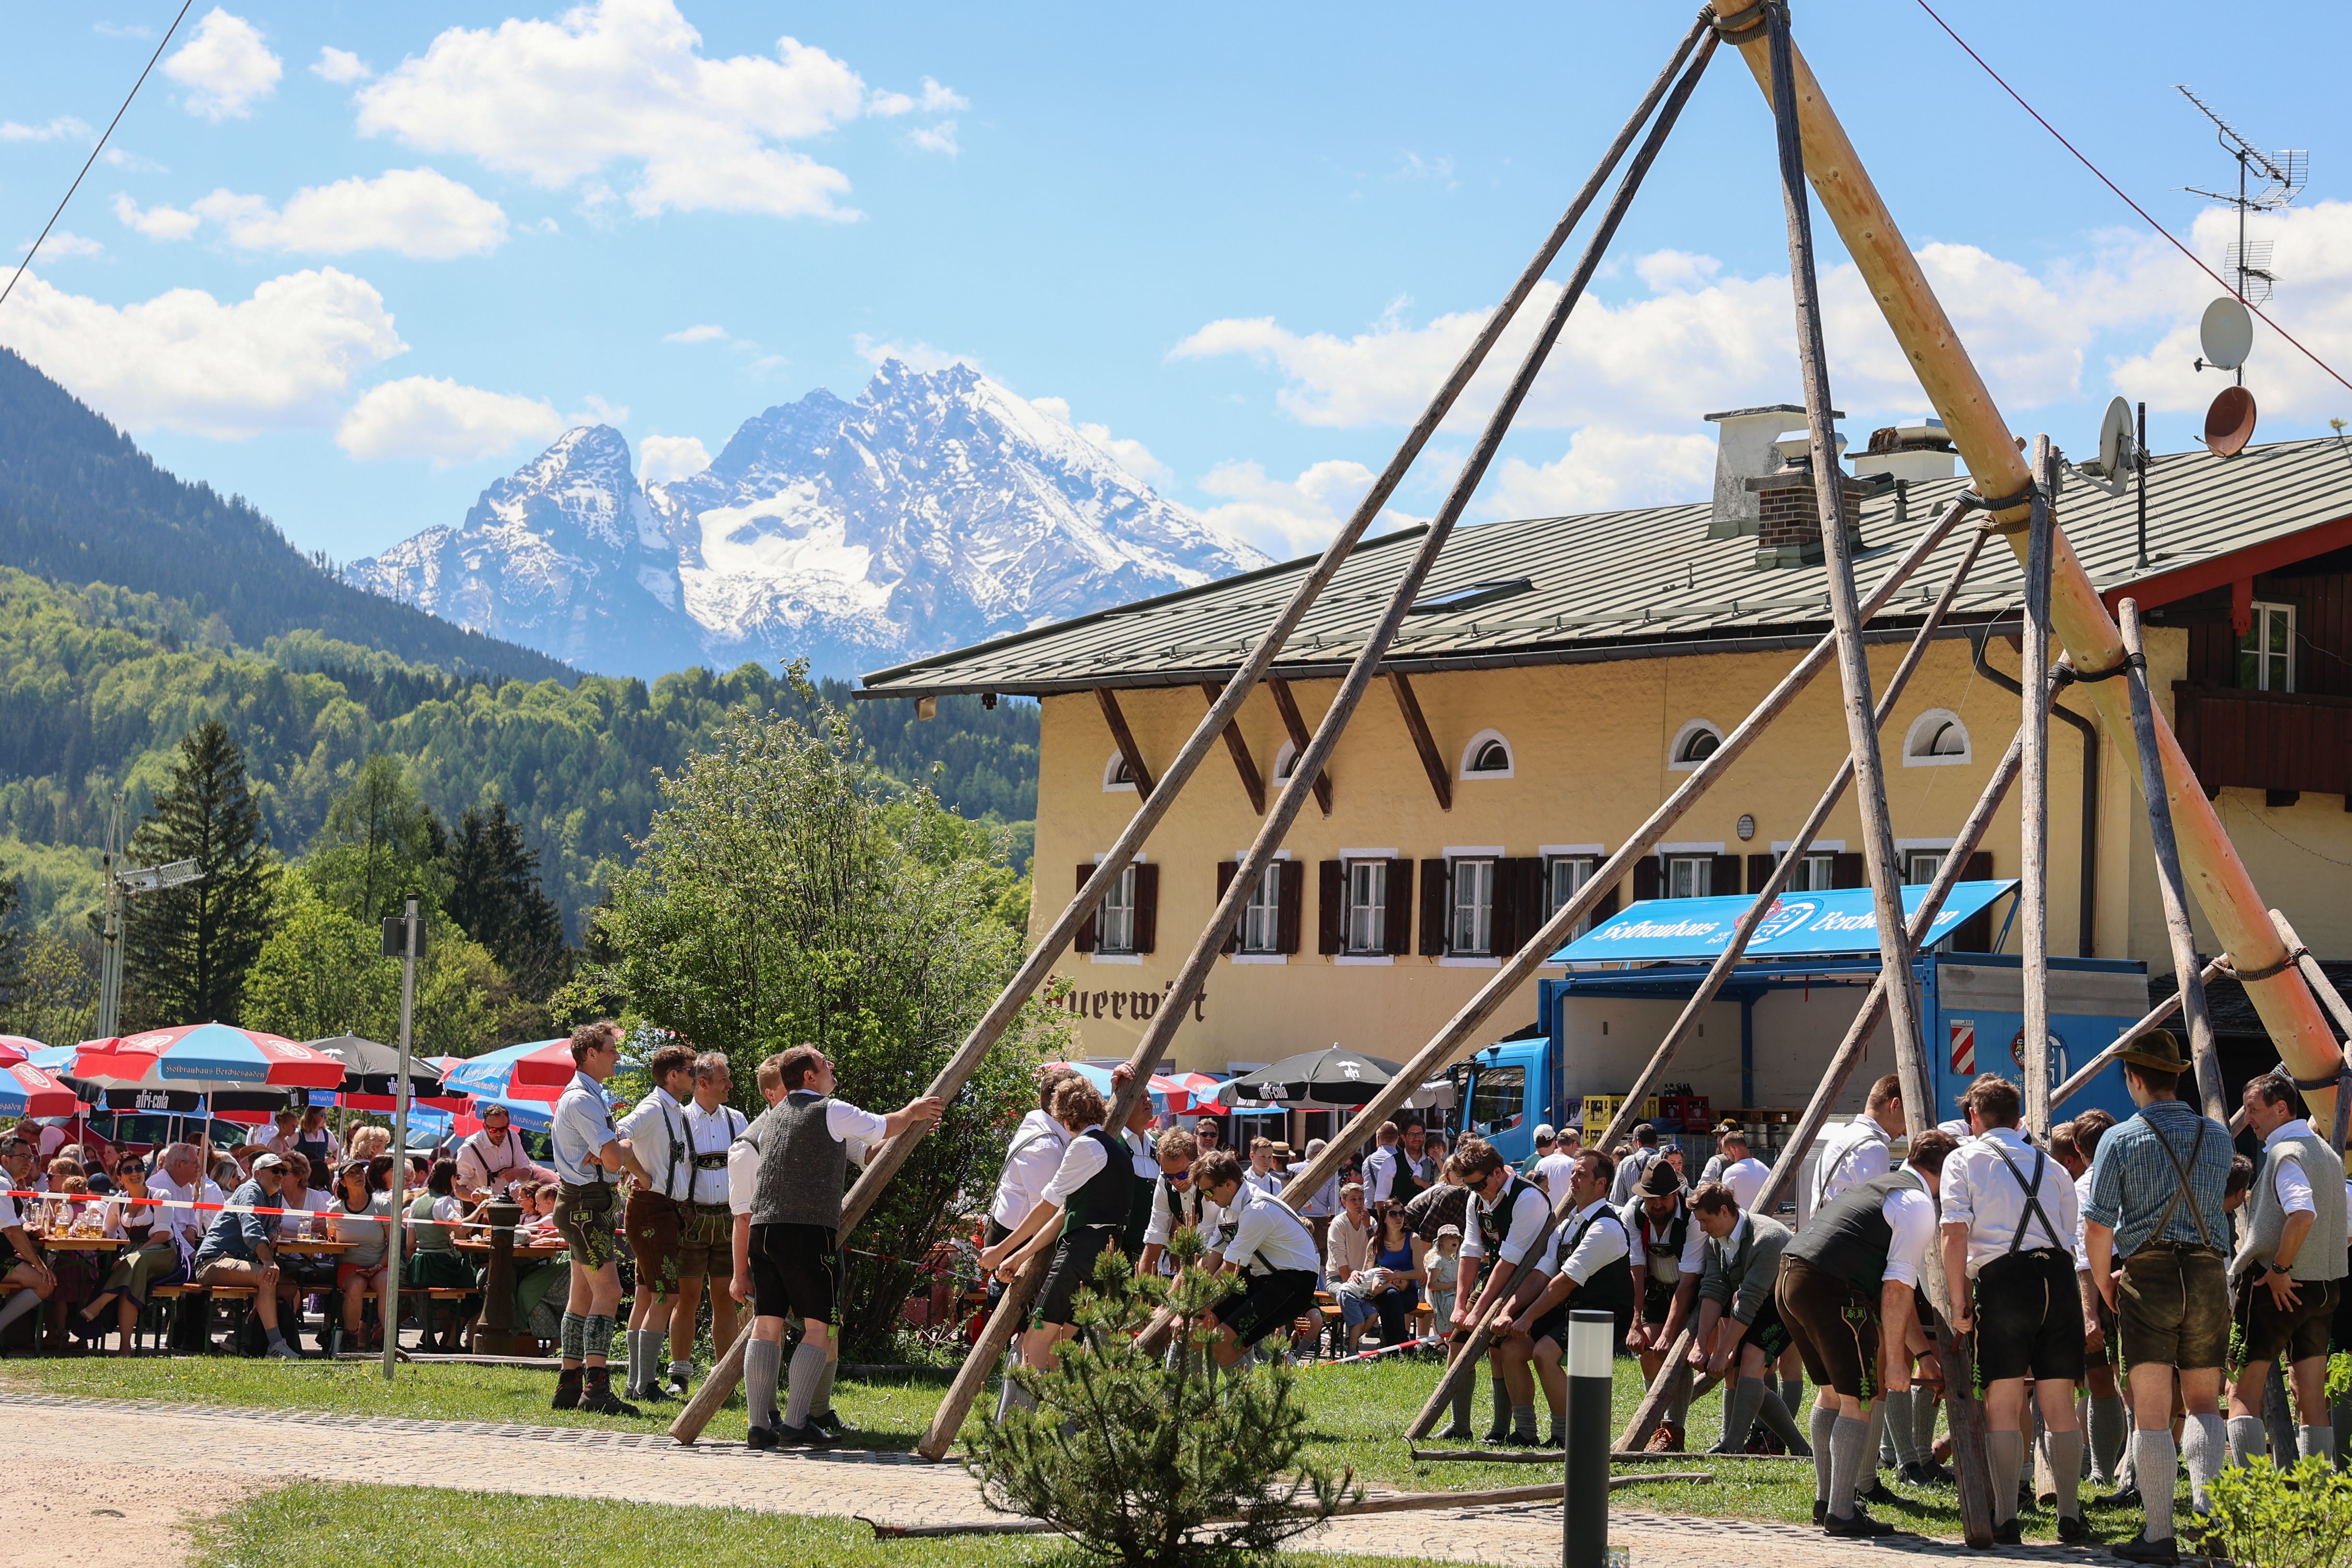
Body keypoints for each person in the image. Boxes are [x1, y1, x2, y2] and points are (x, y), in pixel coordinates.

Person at [737, 1044, 941, 1447]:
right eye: (824, 1063)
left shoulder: (774, 1116)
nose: (831, 1067)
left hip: (764, 1229)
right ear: (809, 1077)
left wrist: (907, 1129)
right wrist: (915, 1111)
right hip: (807, 1230)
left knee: (766, 1323)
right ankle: (796, 1422)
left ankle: (759, 1425)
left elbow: (868, 1150)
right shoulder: (829, 1109)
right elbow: (886, 1124)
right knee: (819, 1326)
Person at [2084, 1029, 2234, 1565]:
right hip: (2209, 1274)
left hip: (2147, 1274)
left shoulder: (2118, 1139)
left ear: (2134, 1078)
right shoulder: (2218, 1137)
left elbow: (2098, 1228)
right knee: (2202, 1402)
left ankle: (2158, 1533)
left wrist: (2106, 1286)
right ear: (2174, 1077)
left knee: (2151, 1414)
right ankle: (2210, 1518)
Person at [1778, 1128, 1953, 1539]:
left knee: (1830, 1393)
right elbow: (1896, 1290)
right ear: (1944, 1173)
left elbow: (1897, 1294)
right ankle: (1842, 1511)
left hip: (1790, 1275)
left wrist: (1922, 1354)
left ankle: (1827, 1501)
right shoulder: (1917, 1205)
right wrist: (1895, 1360)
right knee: (1857, 1398)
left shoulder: (1883, 1187)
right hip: (1830, 1286)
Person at [1940, 1074, 2085, 1545]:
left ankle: (2006, 1516)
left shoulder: (1962, 1158)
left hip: (2005, 1282)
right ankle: (2069, 1513)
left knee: (2002, 1402)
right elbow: (2067, 1237)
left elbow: (1954, 1232)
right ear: (2018, 1117)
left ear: (1973, 1117)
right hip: (2058, 1281)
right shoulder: (2053, 1166)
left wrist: (1958, 1301)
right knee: (2059, 1403)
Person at [982, 1077, 1135, 1389]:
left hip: (1079, 1254)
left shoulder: (1083, 1147)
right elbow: (1064, 1213)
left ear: (1064, 1116)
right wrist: (1018, 1255)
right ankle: (1061, 1430)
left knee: (1034, 1343)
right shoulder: (1115, 1150)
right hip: (1108, 1256)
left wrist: (999, 1251)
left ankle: (1028, 1429)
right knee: (1060, 1345)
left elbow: (1046, 1207)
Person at [2228, 1073, 2344, 1469]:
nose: (2248, 1119)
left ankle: (2244, 1497)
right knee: (2311, 1397)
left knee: (2242, 1391)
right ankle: (2315, 1499)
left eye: (2253, 1110)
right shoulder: (2329, 1155)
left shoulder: (2285, 1153)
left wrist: (2279, 1267)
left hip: (2278, 1284)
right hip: (2324, 1287)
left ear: (2281, 1108)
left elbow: (2302, 1213)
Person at [1497, 1150, 1631, 1448]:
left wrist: (1528, 1318)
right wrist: (1509, 1311)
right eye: (1574, 1172)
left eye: (1582, 1174)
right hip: (1571, 1309)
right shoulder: (1568, 1225)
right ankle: (1526, 1432)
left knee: (1544, 1353)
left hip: (1604, 1316)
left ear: (1601, 1185)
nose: (1573, 1178)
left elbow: (1565, 1282)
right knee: (1513, 1348)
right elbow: (1542, 1274)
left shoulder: (1606, 1226)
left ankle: (1565, 1435)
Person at [548, 1019, 640, 1415]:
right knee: (610, 1291)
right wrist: (621, 1147)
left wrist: (609, 1152)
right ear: (589, 1054)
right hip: (586, 1205)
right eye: (610, 1049)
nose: (616, 1055)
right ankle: (596, 1386)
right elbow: (615, 1157)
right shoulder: (583, 1100)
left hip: (584, 1201)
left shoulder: (589, 1095)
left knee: (582, 1294)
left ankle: (570, 1383)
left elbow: (608, 1156)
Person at [652, 1051, 750, 1398]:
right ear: (703, 1083)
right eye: (724, 1079)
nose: (730, 1084)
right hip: (689, 1219)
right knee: (687, 1299)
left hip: (728, 1220)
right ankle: (679, 1375)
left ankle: (724, 1379)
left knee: (726, 1298)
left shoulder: (737, 1120)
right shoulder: (678, 1120)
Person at [1688, 1180, 1809, 1457]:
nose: (1703, 1228)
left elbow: (1750, 1300)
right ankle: (1801, 1449)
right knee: (1738, 1373)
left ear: (1723, 1211)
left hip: (1787, 1302)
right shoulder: (1716, 1240)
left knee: (1752, 1361)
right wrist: (1701, 1343)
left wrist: (1722, 1351)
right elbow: (1714, 1289)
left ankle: (1732, 1446)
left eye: (1705, 1221)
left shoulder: (1768, 1239)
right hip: (1755, 1302)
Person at [1454, 1135, 1557, 1445]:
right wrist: (1462, 1306)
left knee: (1499, 1351)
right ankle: (1460, 1426)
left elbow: (1512, 1260)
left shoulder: (1528, 1199)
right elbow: (1471, 1249)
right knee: (1459, 1344)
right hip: (1497, 1277)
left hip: (1528, 1282)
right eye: (1469, 1186)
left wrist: (1479, 1310)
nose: (1475, 1192)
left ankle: (1502, 1431)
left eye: (1479, 1184)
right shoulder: (1477, 1199)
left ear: (1499, 1172)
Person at [617, 1041, 698, 1402]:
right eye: (691, 1070)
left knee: (647, 1295)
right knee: (668, 1294)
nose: (696, 1077)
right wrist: (638, 1172)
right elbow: (619, 1134)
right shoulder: (653, 1107)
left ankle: (636, 1383)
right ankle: (647, 1384)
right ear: (673, 1075)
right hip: (652, 1207)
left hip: (662, 1209)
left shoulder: (675, 1109)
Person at [1193, 1148, 1324, 1367]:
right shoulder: (1228, 1211)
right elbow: (1211, 1258)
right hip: (1263, 1276)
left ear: (1228, 1183)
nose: (1208, 1199)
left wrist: (1196, 1308)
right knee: (1200, 1332)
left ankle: (1247, 1399)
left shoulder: (1257, 1210)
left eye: (1209, 1192)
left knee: (1224, 1342)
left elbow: (1230, 1269)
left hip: (1293, 1281)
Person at [2053, 1110, 2127, 1491]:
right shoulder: (2134, 1178)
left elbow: (2083, 1258)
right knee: (2130, 1380)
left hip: (2098, 1288)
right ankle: (2118, 1468)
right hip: (2130, 1280)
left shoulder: (2083, 1187)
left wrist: (2088, 1313)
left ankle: (2103, 1469)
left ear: (2080, 1150)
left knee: (2102, 1380)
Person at [1623, 1157, 1705, 1451]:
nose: (1657, 1205)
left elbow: (1689, 1279)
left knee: (1677, 1353)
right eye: (1650, 1199)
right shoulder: (1633, 1215)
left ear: (1676, 1194)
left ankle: (1674, 1432)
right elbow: (1636, 1269)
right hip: (1656, 1289)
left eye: (1663, 1199)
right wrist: (1635, 1323)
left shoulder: (1694, 1217)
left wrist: (1671, 1333)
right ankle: (1656, 1423)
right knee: (1648, 1349)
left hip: (1695, 1288)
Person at [192, 1151, 304, 1357]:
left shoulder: (276, 1195)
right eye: (275, 1170)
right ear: (257, 1173)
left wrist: (272, 1233)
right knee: (267, 1276)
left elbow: (276, 1223)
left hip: (240, 1260)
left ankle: (240, 1337)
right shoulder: (250, 1190)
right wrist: (269, 1261)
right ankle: (276, 1347)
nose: (280, 1175)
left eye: (283, 1171)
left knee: (289, 1288)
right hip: (214, 1261)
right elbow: (250, 1229)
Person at [406, 1157, 478, 1353]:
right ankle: (452, 1342)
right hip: (440, 1266)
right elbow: (462, 1230)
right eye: (458, 1177)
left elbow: (410, 1245)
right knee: (475, 1293)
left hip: (419, 1266)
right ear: (452, 1178)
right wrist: (480, 1209)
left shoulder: (417, 1202)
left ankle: (441, 1338)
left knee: (459, 1292)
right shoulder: (444, 1202)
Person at [1136, 1128, 1223, 1277]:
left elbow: (1203, 1244)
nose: (1176, 1182)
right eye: (1169, 1175)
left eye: (1183, 1174)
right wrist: (1141, 1288)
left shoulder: (1212, 1183)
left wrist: (1172, 1297)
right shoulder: (1165, 1183)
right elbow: (1155, 1235)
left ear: (1197, 1161)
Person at [329, 1157, 394, 1352]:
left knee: (386, 1283)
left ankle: (388, 1338)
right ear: (342, 1182)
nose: (358, 1176)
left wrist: (378, 1266)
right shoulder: (335, 1210)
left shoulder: (383, 1205)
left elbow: (393, 1244)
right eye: (351, 1174)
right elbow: (331, 1242)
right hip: (351, 1266)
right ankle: (350, 1338)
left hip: (380, 1264)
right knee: (356, 1285)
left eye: (360, 1172)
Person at [1814, 1076, 1903, 1210]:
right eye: (1908, 1116)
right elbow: (1874, 1211)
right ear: (1894, 1105)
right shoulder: (1872, 1146)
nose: (1906, 1132)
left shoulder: (1842, 1136)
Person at [0, 1134, 56, 1345]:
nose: (28, 1163)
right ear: (6, 1160)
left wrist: (30, 1227)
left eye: (31, 1158)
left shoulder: (10, 1184)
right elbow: (12, 1231)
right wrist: (38, 1264)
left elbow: (17, 1223)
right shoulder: (2, 1183)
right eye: (22, 1157)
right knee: (44, 1281)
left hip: (4, 1254)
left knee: (45, 1280)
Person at [453, 1102, 553, 1203]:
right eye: (493, 1130)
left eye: (503, 1129)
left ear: (508, 1125)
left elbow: (527, 1175)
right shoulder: (470, 1148)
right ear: (484, 1126)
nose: (498, 1134)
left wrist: (517, 1173)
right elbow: (458, 1188)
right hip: (477, 1208)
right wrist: (473, 1196)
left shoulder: (513, 1138)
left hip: (504, 1204)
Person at [1365, 1198, 1427, 1349]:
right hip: (1381, 1291)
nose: (1399, 1217)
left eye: (1401, 1213)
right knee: (1390, 1294)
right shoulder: (1375, 1242)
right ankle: (1405, 1346)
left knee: (1391, 1299)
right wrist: (1356, 1274)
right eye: (1393, 1214)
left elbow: (1419, 1272)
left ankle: (1388, 1347)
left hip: (1408, 1293)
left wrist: (1395, 1276)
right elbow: (1367, 1271)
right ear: (1384, 1218)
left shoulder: (1413, 1238)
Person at [1324, 1182, 1377, 1352]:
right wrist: (1350, 1282)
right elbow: (1339, 1257)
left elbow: (1377, 1248)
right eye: (1353, 1200)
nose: (1358, 1203)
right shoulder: (1338, 1224)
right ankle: (1352, 1349)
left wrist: (1368, 1226)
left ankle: (1350, 1340)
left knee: (1373, 1315)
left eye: (1361, 1199)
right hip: (1338, 1277)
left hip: (1362, 1278)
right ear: (1344, 1202)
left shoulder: (1371, 1221)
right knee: (1348, 1296)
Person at [1288, 1137, 1339, 1259]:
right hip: (1320, 1223)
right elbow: (1334, 1208)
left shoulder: (1291, 1169)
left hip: (1294, 1218)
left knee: (1295, 1255)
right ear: (1319, 1154)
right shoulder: (1329, 1174)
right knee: (1319, 1257)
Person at [1715, 1130, 1769, 1212]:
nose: (1727, 1158)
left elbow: (1726, 1204)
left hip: (1743, 1221)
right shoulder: (1765, 1169)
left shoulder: (1731, 1172)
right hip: (1764, 1220)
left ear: (1733, 1149)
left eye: (1726, 1153)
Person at [1610, 1122, 1663, 1204]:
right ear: (1656, 1140)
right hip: (1657, 1211)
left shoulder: (1625, 1163)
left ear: (1636, 1142)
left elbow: (1617, 1199)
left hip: (1632, 1213)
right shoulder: (1661, 1160)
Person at [292, 1105, 340, 1193]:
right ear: (312, 1116)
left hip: (321, 1179)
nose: (326, 1119)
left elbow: (338, 1150)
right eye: (323, 1116)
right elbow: (285, 1146)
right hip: (303, 1177)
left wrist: (332, 1158)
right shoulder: (298, 1134)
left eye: (326, 1115)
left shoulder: (327, 1134)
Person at [1360, 1121, 1406, 1205]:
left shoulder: (1368, 1161)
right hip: (1397, 1212)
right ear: (1397, 1139)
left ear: (1378, 1139)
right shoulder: (1404, 1161)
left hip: (1372, 1211)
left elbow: (1368, 1194)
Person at [1532, 1127, 1578, 1201]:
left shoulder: (1541, 1163)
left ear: (1557, 1143)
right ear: (1574, 1144)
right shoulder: (1574, 1165)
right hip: (1569, 1211)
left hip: (1545, 1210)